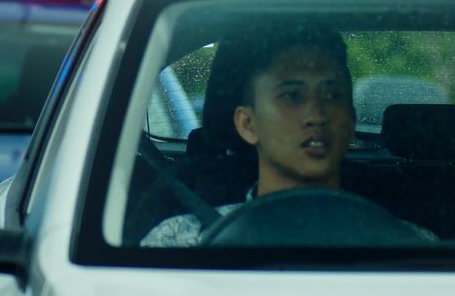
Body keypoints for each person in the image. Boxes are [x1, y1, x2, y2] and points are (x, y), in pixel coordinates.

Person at [141, 21, 432, 247]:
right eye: (292, 96)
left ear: (352, 120)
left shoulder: (411, 243)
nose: (317, 116)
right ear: (247, 124)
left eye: (333, 95)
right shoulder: (181, 240)